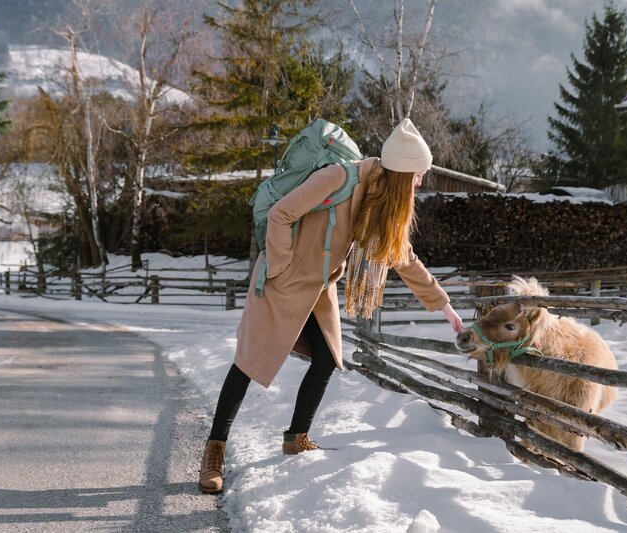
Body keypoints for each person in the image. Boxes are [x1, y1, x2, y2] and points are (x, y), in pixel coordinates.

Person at [198, 118, 464, 494]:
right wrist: (279, 267)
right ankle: (214, 452)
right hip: (282, 280)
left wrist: (444, 307)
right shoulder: (339, 177)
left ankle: (296, 437)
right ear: (404, 172)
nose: (420, 182)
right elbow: (281, 214)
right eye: (418, 175)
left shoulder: (378, 199)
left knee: (326, 359)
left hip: (319, 288)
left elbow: (402, 256)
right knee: (248, 362)